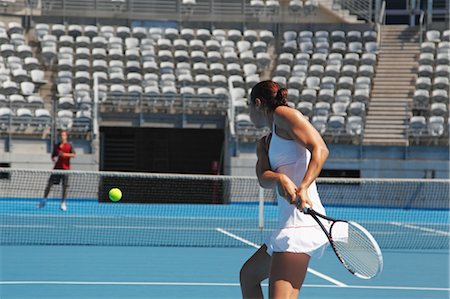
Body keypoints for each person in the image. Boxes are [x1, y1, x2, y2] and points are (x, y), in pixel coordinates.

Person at [240, 81, 330, 299]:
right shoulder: (265, 142)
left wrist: (304, 187)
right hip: (288, 222)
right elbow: (264, 178)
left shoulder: (284, 115)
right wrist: (280, 179)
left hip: (301, 225)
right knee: (249, 275)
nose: (249, 112)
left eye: (249, 106)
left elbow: (320, 148)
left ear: (258, 103)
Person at [38, 130, 76, 211]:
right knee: (49, 185)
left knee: (65, 187)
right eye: (61, 135)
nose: (62, 137)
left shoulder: (69, 145)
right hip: (57, 169)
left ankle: (63, 203)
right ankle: (44, 200)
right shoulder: (56, 146)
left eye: (64, 135)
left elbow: (73, 155)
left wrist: (64, 154)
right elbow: (53, 156)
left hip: (66, 169)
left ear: (66, 136)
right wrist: (54, 158)